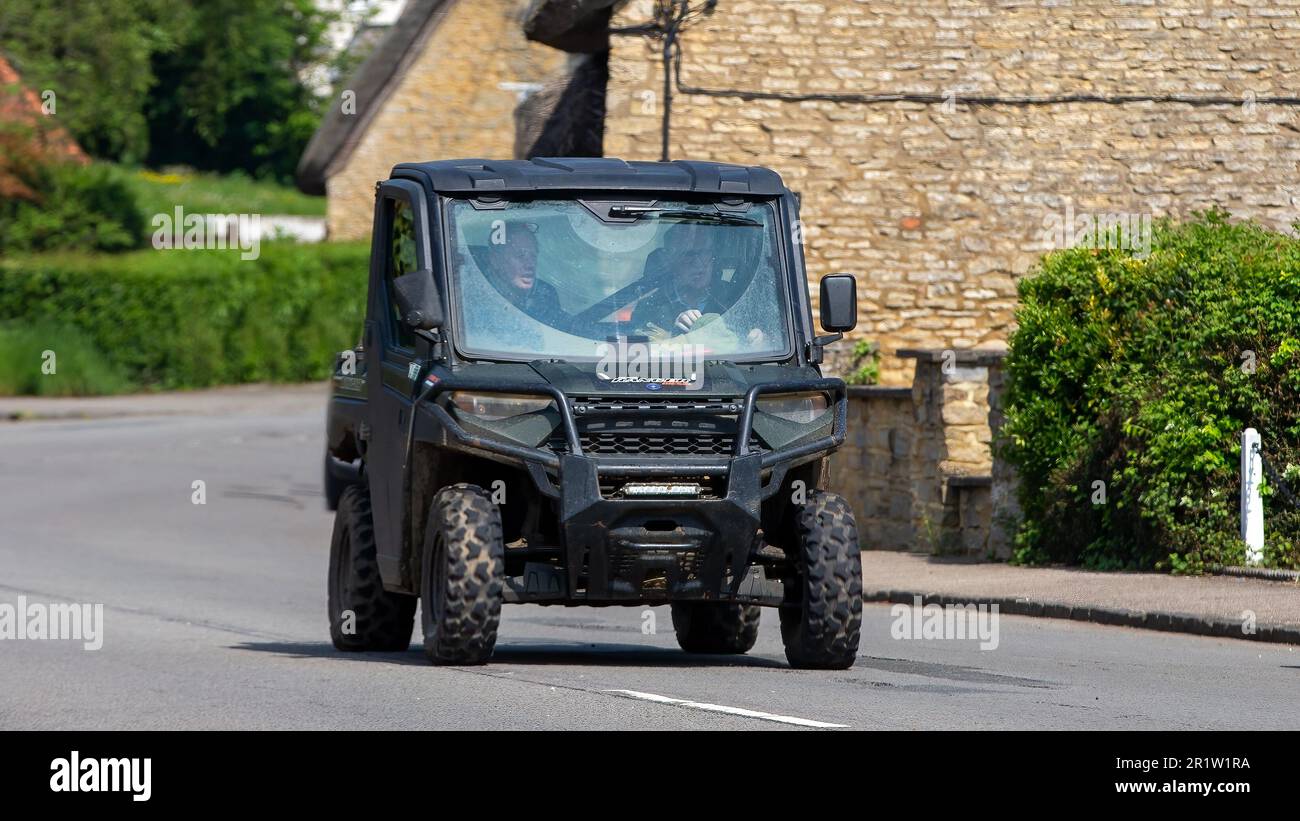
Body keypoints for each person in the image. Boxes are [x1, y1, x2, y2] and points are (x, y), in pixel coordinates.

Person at [482, 223, 567, 330]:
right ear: (495, 260)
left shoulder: (546, 295)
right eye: (520, 255)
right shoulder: (475, 299)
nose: (530, 264)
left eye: (533, 256)